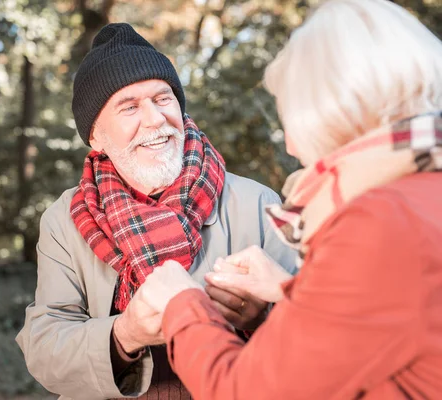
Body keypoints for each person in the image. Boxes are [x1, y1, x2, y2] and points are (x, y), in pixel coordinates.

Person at [135, 0, 442, 398]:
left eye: (292, 119)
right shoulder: (422, 190)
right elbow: (395, 317)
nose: (294, 146)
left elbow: (246, 391)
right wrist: (290, 291)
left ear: (332, 112)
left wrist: (182, 303)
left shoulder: (380, 220)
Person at [15, 23, 297, 399]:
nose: (154, 119)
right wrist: (125, 334)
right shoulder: (64, 220)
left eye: (163, 99)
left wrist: (262, 318)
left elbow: (318, 341)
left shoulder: (259, 203)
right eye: (129, 107)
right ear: (96, 136)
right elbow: (44, 349)